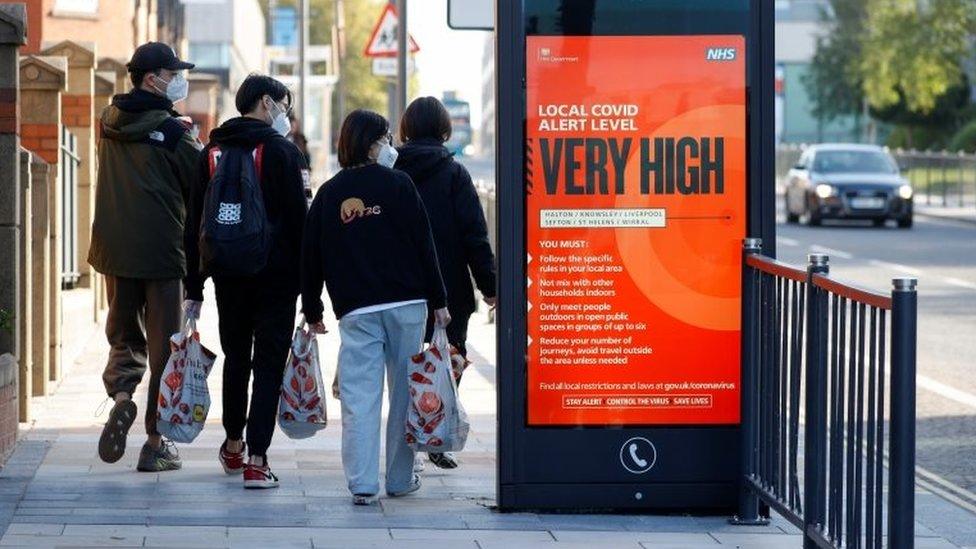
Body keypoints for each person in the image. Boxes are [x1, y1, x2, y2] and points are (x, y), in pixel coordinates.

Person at [301, 109, 449, 506]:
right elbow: (425, 244)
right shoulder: (400, 185)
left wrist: (313, 308)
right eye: (385, 138)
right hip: (408, 305)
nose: (391, 146)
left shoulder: (330, 193)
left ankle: (363, 483)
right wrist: (439, 301)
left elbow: (309, 256)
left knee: (360, 398)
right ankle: (400, 480)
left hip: (357, 310)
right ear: (370, 143)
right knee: (404, 394)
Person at [183, 74, 309, 489]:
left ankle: (233, 445)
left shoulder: (212, 151)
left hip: (228, 273)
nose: (285, 114)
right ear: (266, 103)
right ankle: (258, 460)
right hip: (277, 277)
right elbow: (299, 223)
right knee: (269, 363)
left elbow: (194, 223)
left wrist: (194, 286)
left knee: (237, 358)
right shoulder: (282, 152)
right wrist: (311, 293)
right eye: (283, 105)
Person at [88, 42, 200, 472]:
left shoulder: (108, 120)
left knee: (123, 335)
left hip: (113, 248)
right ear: (153, 79)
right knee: (164, 350)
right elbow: (199, 180)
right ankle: (154, 443)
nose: (179, 81)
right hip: (162, 251)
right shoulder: (174, 132)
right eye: (173, 74)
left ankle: (120, 396)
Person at [394, 96, 497, 470]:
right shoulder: (454, 174)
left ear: (406, 128)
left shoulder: (393, 170)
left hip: (400, 286)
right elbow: (475, 235)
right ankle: (436, 438)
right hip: (449, 288)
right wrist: (490, 285)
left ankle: (408, 445)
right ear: (444, 129)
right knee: (447, 360)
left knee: (407, 365)